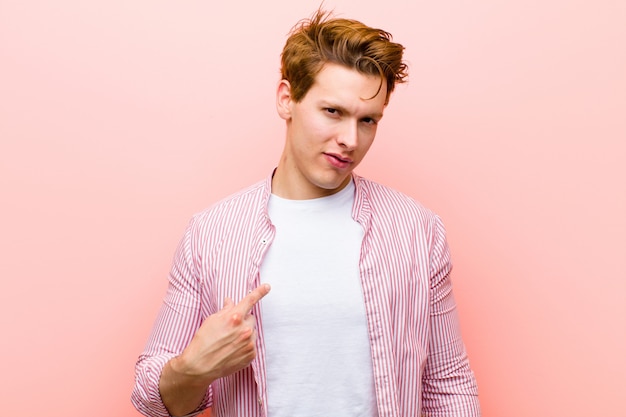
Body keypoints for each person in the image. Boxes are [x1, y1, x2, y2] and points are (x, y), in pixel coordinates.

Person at [132, 8, 480, 417]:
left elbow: (449, 384)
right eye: (332, 111)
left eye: (368, 120)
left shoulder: (417, 230)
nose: (350, 139)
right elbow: (149, 398)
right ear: (287, 99)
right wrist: (193, 370)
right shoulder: (211, 233)